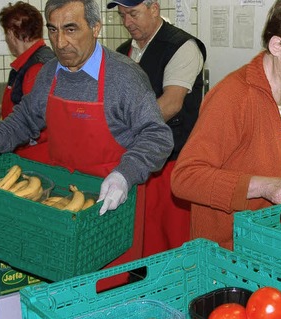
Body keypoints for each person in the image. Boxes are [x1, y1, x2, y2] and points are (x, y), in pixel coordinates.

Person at [0, 0, 173, 289]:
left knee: (105, 294)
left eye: (71, 29)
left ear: (96, 28)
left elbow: (157, 135)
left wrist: (124, 174)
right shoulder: (51, 73)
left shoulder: (125, 77)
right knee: (64, 291)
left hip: (109, 211)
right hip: (63, 206)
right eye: (53, 30)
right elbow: (24, 118)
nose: (60, 42)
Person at [171, 0, 281, 251]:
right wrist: (263, 186)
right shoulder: (233, 98)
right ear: (277, 45)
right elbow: (185, 177)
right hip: (235, 252)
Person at [107, 0, 206, 253]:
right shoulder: (122, 52)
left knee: (168, 241)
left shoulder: (181, 47)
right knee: (138, 239)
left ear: (154, 8)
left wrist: (121, 131)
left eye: (133, 14)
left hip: (171, 163)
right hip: (137, 160)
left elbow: (171, 103)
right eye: (122, 16)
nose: (127, 22)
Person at [0, 1, 55, 164]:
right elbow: (31, 107)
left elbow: (39, 124)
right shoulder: (28, 63)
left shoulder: (37, 68)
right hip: (27, 156)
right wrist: (0, 109)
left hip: (35, 161)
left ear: (11, 33)